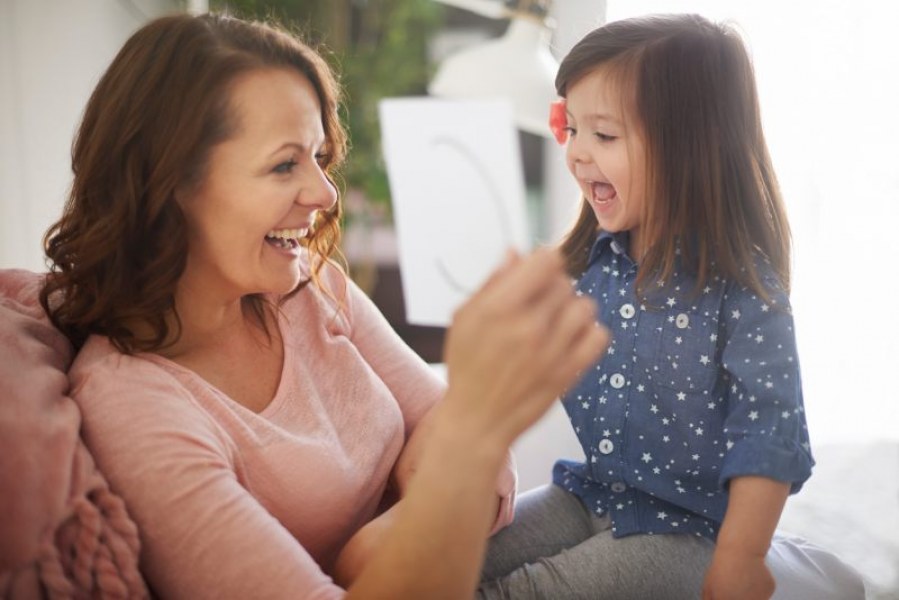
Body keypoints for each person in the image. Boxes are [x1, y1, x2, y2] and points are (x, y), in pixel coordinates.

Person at [38, 12, 608, 599]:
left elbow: (455, 436)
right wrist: (470, 440)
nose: (325, 192)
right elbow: (460, 443)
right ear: (169, 183)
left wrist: (375, 547)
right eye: (285, 164)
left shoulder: (310, 287)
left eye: (317, 157)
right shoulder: (135, 407)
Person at [477, 13, 866, 600]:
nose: (578, 155)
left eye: (603, 136)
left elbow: (770, 432)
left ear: (688, 147)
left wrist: (742, 556)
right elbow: (507, 369)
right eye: (572, 128)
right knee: (449, 560)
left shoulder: (743, 288)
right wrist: (486, 451)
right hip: (589, 494)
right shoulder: (587, 265)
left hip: (685, 537)